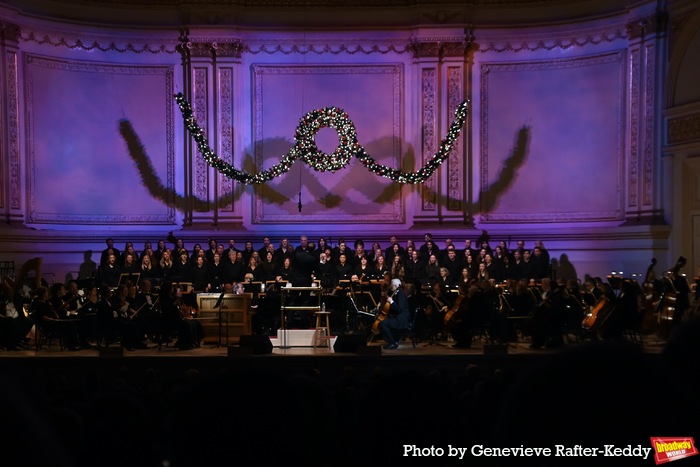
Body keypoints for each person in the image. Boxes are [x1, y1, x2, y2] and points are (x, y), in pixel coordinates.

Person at [379, 278, 410, 349]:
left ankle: (393, 343)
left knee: (382, 324)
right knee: (384, 322)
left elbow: (399, 309)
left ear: (396, 286)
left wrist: (391, 302)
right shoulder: (397, 293)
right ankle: (394, 340)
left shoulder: (401, 295)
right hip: (397, 318)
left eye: (392, 285)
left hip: (401, 321)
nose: (390, 287)